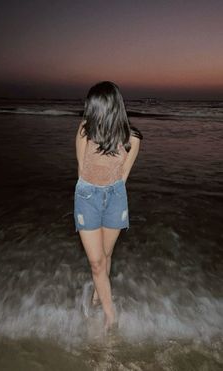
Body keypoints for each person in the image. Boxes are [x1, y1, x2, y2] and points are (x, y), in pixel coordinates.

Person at [74, 81, 143, 332]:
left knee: (106, 256)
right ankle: (110, 316)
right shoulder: (84, 130)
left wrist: (111, 193)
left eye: (93, 108)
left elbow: (123, 176)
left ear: (109, 108)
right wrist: (91, 191)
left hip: (115, 198)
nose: (88, 113)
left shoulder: (132, 140)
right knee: (96, 262)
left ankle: (97, 291)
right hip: (87, 196)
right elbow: (82, 168)